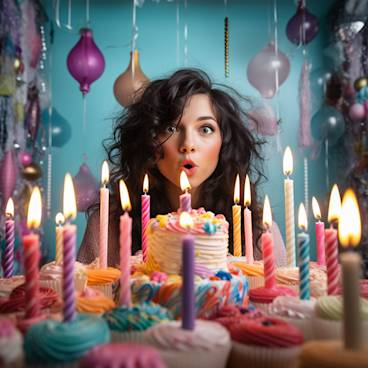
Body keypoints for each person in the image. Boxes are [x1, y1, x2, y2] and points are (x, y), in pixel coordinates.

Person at [78, 68, 286, 267]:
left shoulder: (259, 233)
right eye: (171, 128)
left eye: (205, 129)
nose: (188, 144)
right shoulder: (108, 226)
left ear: (224, 144)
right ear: (150, 140)